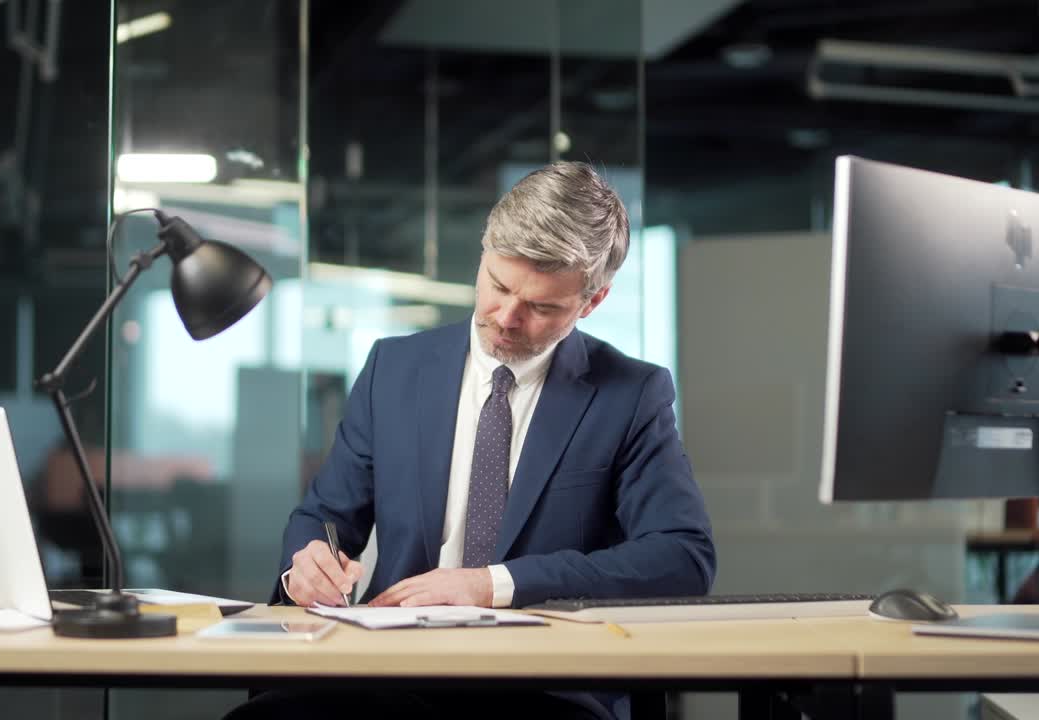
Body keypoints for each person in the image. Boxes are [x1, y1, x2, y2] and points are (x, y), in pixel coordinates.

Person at [240, 162, 715, 720]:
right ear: (482, 256)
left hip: (543, 688)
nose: (508, 318)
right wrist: (309, 564)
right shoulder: (393, 368)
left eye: (541, 306)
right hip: (389, 671)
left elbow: (682, 556)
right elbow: (323, 515)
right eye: (499, 285)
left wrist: (493, 585)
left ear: (592, 302)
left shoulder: (631, 395)